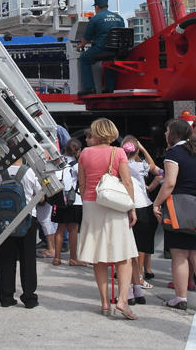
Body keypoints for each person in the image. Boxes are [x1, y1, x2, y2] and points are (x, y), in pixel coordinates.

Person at [152, 120, 196, 310]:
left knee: (179, 255)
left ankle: (181, 298)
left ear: (175, 133)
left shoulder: (174, 153)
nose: (165, 133)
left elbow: (170, 182)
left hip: (178, 207)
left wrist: (157, 203)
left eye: (167, 130)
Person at [78, 118, 139, 319]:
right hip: (114, 204)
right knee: (123, 255)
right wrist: (132, 207)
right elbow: (127, 182)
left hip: (91, 202)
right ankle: (122, 300)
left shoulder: (85, 153)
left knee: (98, 255)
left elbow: (82, 184)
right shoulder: (118, 152)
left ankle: (105, 302)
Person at [0, 157, 41, 308]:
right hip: (27, 218)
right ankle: (29, 297)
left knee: (5, 257)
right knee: (28, 258)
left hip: (5, 219)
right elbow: (41, 197)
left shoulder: (1, 171)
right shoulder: (30, 172)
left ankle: (6, 297)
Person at [123, 136, 158, 305]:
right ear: (136, 151)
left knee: (127, 252)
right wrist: (144, 150)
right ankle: (138, 286)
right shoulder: (139, 165)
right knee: (138, 250)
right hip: (143, 205)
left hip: (126, 206)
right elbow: (153, 168)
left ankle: (129, 290)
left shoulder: (119, 166)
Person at [76, 0, 125, 96]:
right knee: (109, 61)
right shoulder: (119, 18)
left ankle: (89, 88)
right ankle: (109, 89)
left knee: (84, 59)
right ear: (106, 6)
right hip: (118, 49)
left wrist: (80, 46)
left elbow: (87, 38)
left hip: (102, 48)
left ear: (97, 7)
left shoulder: (95, 18)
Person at [52, 138, 85, 266]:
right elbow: (82, 181)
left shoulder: (57, 162)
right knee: (73, 228)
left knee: (60, 228)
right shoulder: (76, 165)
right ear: (77, 151)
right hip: (74, 200)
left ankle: (56, 257)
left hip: (60, 198)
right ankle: (73, 258)